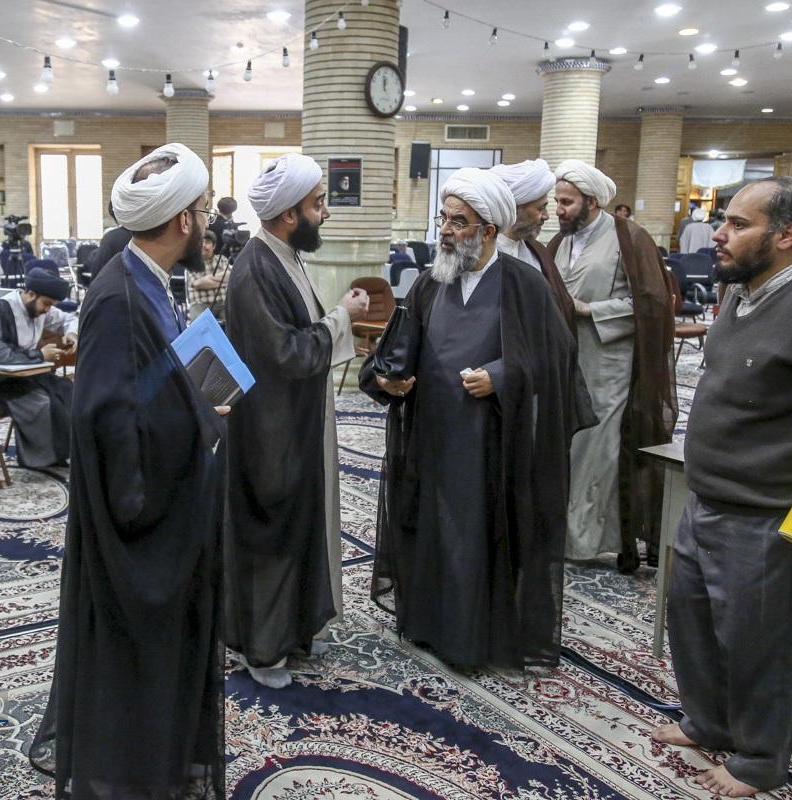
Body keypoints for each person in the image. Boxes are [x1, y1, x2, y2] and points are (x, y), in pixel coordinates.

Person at [652, 177, 792, 797]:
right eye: (724, 221)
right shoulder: (741, 295)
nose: (718, 234)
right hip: (708, 497)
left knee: (759, 645)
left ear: (787, 235)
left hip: (770, 515)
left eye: (738, 224)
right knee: (694, 624)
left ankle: (758, 760)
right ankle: (708, 722)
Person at [31, 143, 224, 800]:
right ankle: (130, 773)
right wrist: (195, 427)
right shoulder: (119, 294)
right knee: (134, 649)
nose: (208, 224)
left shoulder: (150, 279)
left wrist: (205, 397)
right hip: (140, 513)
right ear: (183, 221)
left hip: (168, 490)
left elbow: (154, 380)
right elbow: (107, 418)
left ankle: (157, 757)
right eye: (203, 212)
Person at [359, 167, 594, 671]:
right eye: (443, 219)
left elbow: (556, 357)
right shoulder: (429, 283)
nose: (445, 231)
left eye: (458, 222)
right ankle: (429, 625)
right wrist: (387, 380)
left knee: (475, 535)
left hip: (489, 439)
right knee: (433, 527)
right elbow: (396, 350)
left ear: (488, 231)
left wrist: (502, 375)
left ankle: (470, 641)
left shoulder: (524, 284)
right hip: (430, 433)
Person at [224, 152, 369, 690]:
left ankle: (295, 629)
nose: (325, 212)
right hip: (268, 431)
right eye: (318, 204)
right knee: (272, 531)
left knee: (299, 524)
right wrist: (343, 316)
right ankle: (262, 649)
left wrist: (334, 319)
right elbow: (287, 353)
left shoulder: (282, 256)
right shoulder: (255, 269)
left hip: (292, 423)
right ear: (289, 214)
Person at [548, 160, 675, 572]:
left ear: (592, 201)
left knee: (597, 451)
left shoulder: (629, 238)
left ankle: (586, 541)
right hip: (567, 360)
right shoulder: (561, 240)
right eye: (557, 201)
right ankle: (565, 534)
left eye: (567, 202)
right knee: (568, 448)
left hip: (609, 364)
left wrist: (592, 310)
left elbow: (654, 304)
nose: (559, 210)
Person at [0, 268, 76, 468]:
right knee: (43, 402)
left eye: (51, 305)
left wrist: (71, 334)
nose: (47, 310)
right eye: (46, 304)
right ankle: (41, 459)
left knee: (67, 390)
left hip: (27, 373)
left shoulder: (38, 308)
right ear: (30, 294)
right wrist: (40, 355)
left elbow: (68, 319)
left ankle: (66, 452)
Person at [489, 158, 576, 328]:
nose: (546, 216)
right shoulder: (482, 255)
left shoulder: (538, 251)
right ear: (514, 209)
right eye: (540, 208)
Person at [186, 230, 231, 322]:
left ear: (214, 246)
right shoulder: (191, 263)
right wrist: (221, 282)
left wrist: (207, 279)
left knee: (233, 324)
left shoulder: (222, 259)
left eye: (207, 242)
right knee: (200, 327)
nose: (203, 245)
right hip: (200, 304)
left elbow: (229, 277)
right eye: (201, 242)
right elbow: (197, 284)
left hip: (222, 304)